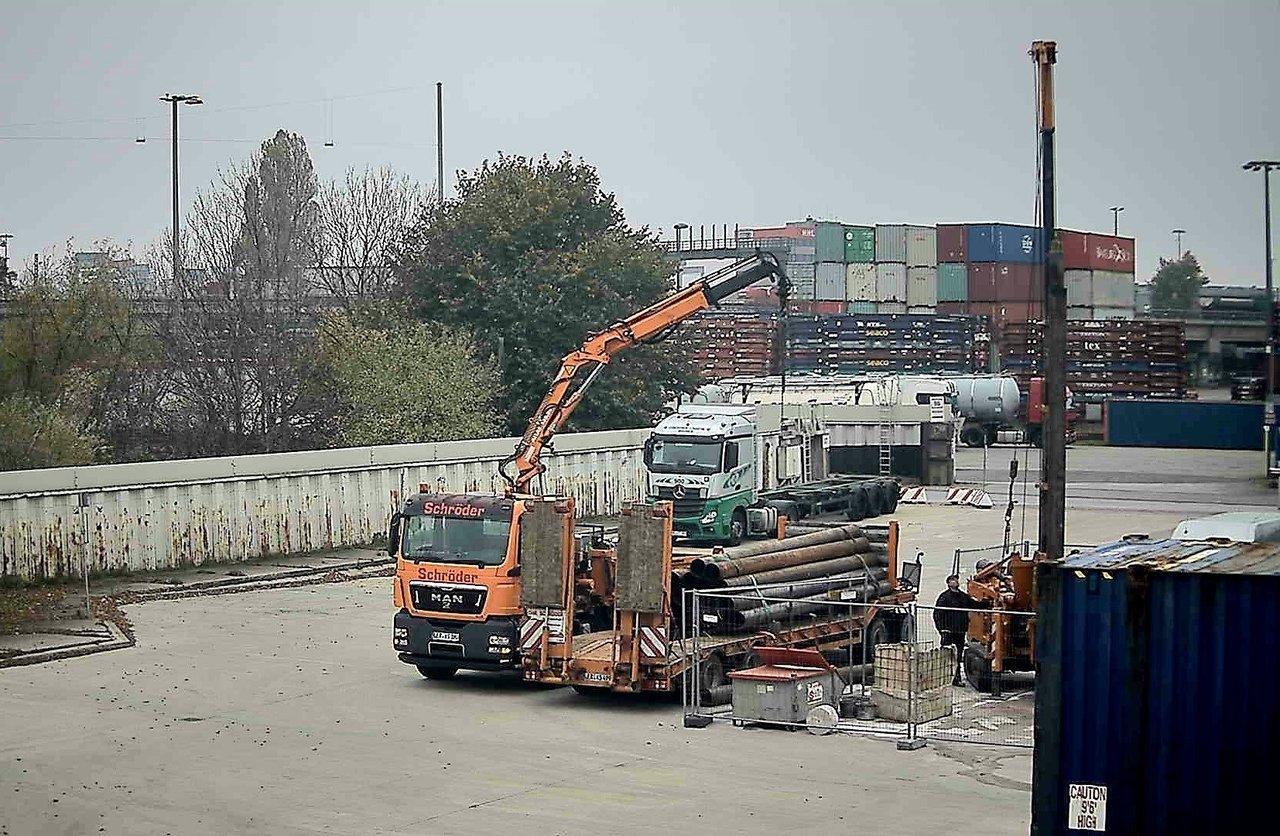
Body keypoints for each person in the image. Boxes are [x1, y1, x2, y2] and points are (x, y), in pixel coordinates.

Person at [934, 574, 987, 686]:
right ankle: (945, 678)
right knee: (947, 656)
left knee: (958, 656)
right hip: (948, 632)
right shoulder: (944, 597)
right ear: (948, 583)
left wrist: (987, 603)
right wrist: (942, 630)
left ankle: (956, 678)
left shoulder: (963, 596)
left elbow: (974, 605)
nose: (956, 581)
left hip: (960, 631)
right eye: (953, 580)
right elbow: (937, 614)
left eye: (956, 580)